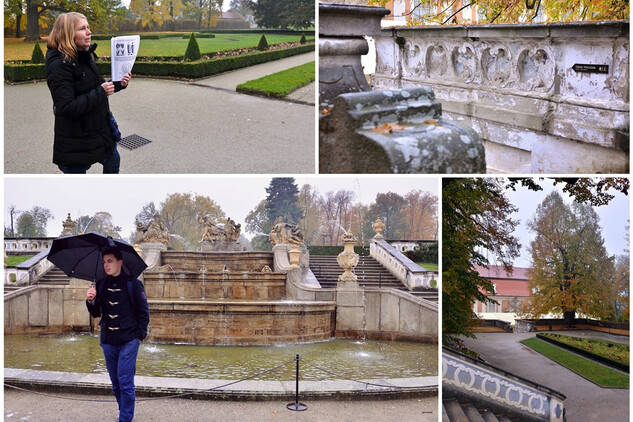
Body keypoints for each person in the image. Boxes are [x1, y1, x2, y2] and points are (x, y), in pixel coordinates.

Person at [46, 12, 132, 174]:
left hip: (98, 130)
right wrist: (101, 92)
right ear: (68, 34)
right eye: (82, 28)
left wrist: (118, 83)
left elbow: (97, 85)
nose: (89, 32)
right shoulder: (58, 65)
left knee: (113, 160)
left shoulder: (84, 55)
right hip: (76, 138)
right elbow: (66, 107)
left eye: (88, 27)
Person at [86, 248, 149, 422]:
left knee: (125, 380)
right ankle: (124, 411)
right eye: (104, 262)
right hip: (108, 340)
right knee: (115, 382)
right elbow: (96, 313)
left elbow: (144, 313)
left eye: (110, 261)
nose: (106, 265)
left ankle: (125, 419)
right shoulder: (100, 284)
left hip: (129, 340)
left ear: (120, 262)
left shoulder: (133, 284)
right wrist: (91, 300)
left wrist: (139, 336)